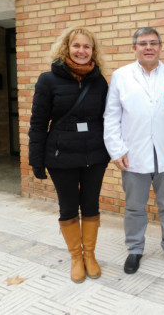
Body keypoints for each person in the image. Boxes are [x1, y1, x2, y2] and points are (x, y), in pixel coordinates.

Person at [103, 27, 164, 274]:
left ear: (161, 47)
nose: (148, 47)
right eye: (143, 43)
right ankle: (134, 250)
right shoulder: (121, 76)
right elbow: (111, 116)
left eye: (153, 43)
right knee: (133, 207)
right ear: (135, 48)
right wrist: (116, 150)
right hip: (133, 156)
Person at [28, 27, 111, 284]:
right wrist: (36, 159)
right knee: (67, 206)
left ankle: (90, 255)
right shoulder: (48, 80)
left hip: (95, 155)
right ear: (66, 48)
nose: (82, 51)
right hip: (61, 155)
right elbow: (38, 123)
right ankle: (76, 256)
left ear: (93, 50)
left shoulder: (100, 81)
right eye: (77, 46)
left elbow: (108, 119)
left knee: (91, 204)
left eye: (87, 46)